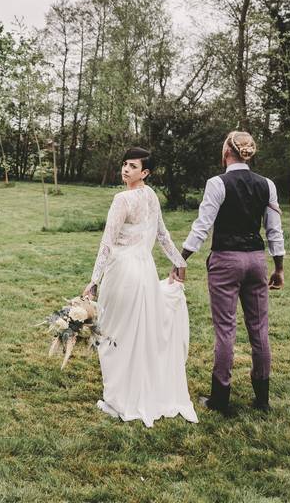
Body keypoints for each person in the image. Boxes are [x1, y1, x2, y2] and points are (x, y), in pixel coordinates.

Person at [83, 147, 197, 427]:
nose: (125, 170)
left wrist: (94, 280)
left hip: (123, 272)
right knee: (135, 335)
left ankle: (119, 399)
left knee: (113, 335)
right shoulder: (151, 196)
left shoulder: (122, 199)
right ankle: (130, 393)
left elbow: (107, 243)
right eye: (124, 164)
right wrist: (179, 261)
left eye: (132, 166)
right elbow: (163, 235)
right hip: (145, 271)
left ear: (145, 172)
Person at [172, 131, 284, 414]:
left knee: (225, 329)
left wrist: (181, 257)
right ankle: (262, 399)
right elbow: (274, 230)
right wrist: (279, 266)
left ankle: (220, 398)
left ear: (226, 153)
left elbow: (202, 225)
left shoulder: (217, 183)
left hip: (225, 261)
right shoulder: (267, 184)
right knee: (259, 329)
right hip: (257, 261)